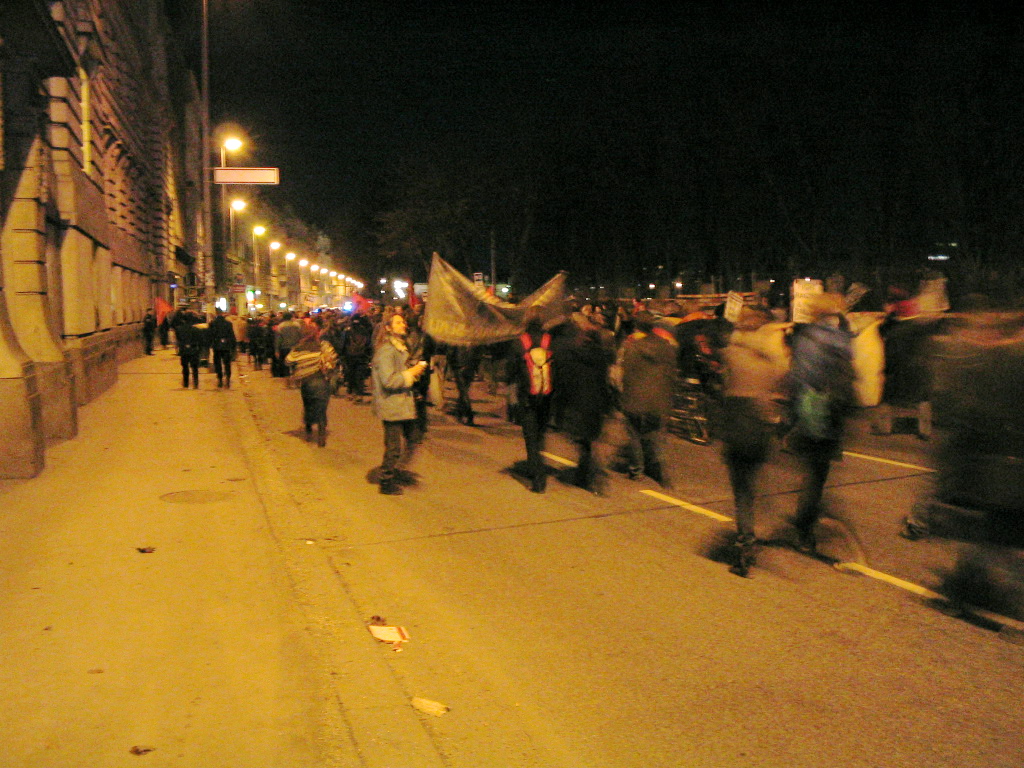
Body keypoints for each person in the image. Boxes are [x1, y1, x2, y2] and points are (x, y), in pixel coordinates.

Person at [719, 306, 791, 577]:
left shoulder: (732, 353)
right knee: (754, 485)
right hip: (762, 425)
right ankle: (759, 533)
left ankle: (745, 545)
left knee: (742, 491)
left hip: (739, 423)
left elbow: (723, 384)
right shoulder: (774, 359)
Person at [785, 293, 856, 554]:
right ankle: (804, 527)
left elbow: (796, 376)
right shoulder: (837, 339)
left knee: (812, 470)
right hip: (829, 409)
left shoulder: (804, 338)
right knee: (817, 474)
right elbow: (848, 371)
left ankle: (806, 518)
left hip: (807, 406)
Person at [617, 310, 677, 488]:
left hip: (635, 398)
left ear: (637, 326)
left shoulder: (632, 347)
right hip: (659, 399)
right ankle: (662, 474)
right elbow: (671, 374)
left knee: (634, 434)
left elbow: (625, 373)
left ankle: (637, 471)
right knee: (656, 436)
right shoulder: (666, 347)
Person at [371, 312, 428, 495]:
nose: (403, 325)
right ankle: (386, 481)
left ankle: (397, 469)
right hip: (392, 405)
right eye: (397, 323)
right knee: (394, 446)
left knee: (413, 438)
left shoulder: (400, 347)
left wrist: (414, 370)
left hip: (403, 404)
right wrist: (412, 372)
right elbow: (388, 381)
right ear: (388, 328)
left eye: (403, 322)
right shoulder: (387, 350)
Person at [556, 317, 615, 493]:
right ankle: (587, 474)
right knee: (589, 440)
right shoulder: (601, 358)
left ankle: (587, 476)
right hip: (595, 404)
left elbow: (566, 381)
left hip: (578, 403)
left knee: (583, 442)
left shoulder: (573, 355)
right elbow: (603, 382)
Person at [507, 310, 555, 492]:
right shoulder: (549, 340)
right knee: (540, 434)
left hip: (527, 396)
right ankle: (536, 467)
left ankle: (537, 478)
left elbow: (511, 370)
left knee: (531, 437)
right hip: (546, 395)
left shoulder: (520, 341)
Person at [286, 326, 338, 447]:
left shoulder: (298, 348)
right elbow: (333, 359)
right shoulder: (323, 346)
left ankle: (308, 431)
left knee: (308, 406)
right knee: (322, 410)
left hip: (307, 382)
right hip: (322, 381)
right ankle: (321, 436)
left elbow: (288, 361)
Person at [208, 307, 237, 388]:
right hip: (226, 346)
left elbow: (210, 335)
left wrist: (210, 344)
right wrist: (233, 346)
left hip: (216, 346)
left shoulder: (213, 323)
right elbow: (231, 335)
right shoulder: (228, 323)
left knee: (217, 363)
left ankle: (220, 379)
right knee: (227, 363)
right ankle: (227, 378)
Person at [176, 310, 204, 389]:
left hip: (184, 350)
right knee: (195, 368)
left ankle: (186, 383)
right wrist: (199, 350)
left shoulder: (179, 329)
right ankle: (195, 383)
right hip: (194, 350)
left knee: (185, 367)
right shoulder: (197, 330)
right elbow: (200, 341)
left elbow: (178, 339)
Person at [274, 312, 303, 384]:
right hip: (296, 347)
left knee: (286, 365)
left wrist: (277, 350)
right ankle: (296, 381)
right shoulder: (297, 325)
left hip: (284, 347)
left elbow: (278, 339)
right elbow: (301, 336)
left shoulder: (280, 326)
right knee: (296, 364)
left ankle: (288, 382)